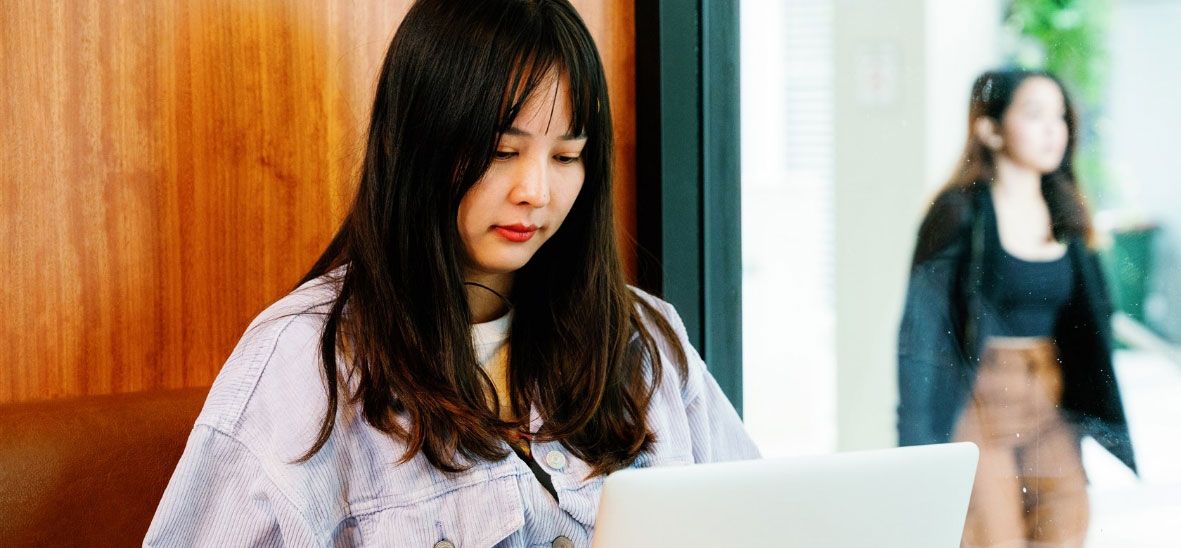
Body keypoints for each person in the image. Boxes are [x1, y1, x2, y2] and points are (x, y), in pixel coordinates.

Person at [144, 1, 758, 545]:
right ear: (420, 144)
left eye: (567, 156)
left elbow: (765, 519)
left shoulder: (641, 339)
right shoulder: (307, 359)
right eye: (501, 151)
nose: (536, 192)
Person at [896, 68, 1138, 547]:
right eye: (1034, 114)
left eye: (1060, 116)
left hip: (1049, 395)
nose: (1054, 130)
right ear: (989, 129)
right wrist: (915, 442)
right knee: (992, 534)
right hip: (978, 398)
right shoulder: (958, 213)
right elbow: (921, 334)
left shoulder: (1067, 212)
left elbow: (1092, 321)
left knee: (1067, 520)